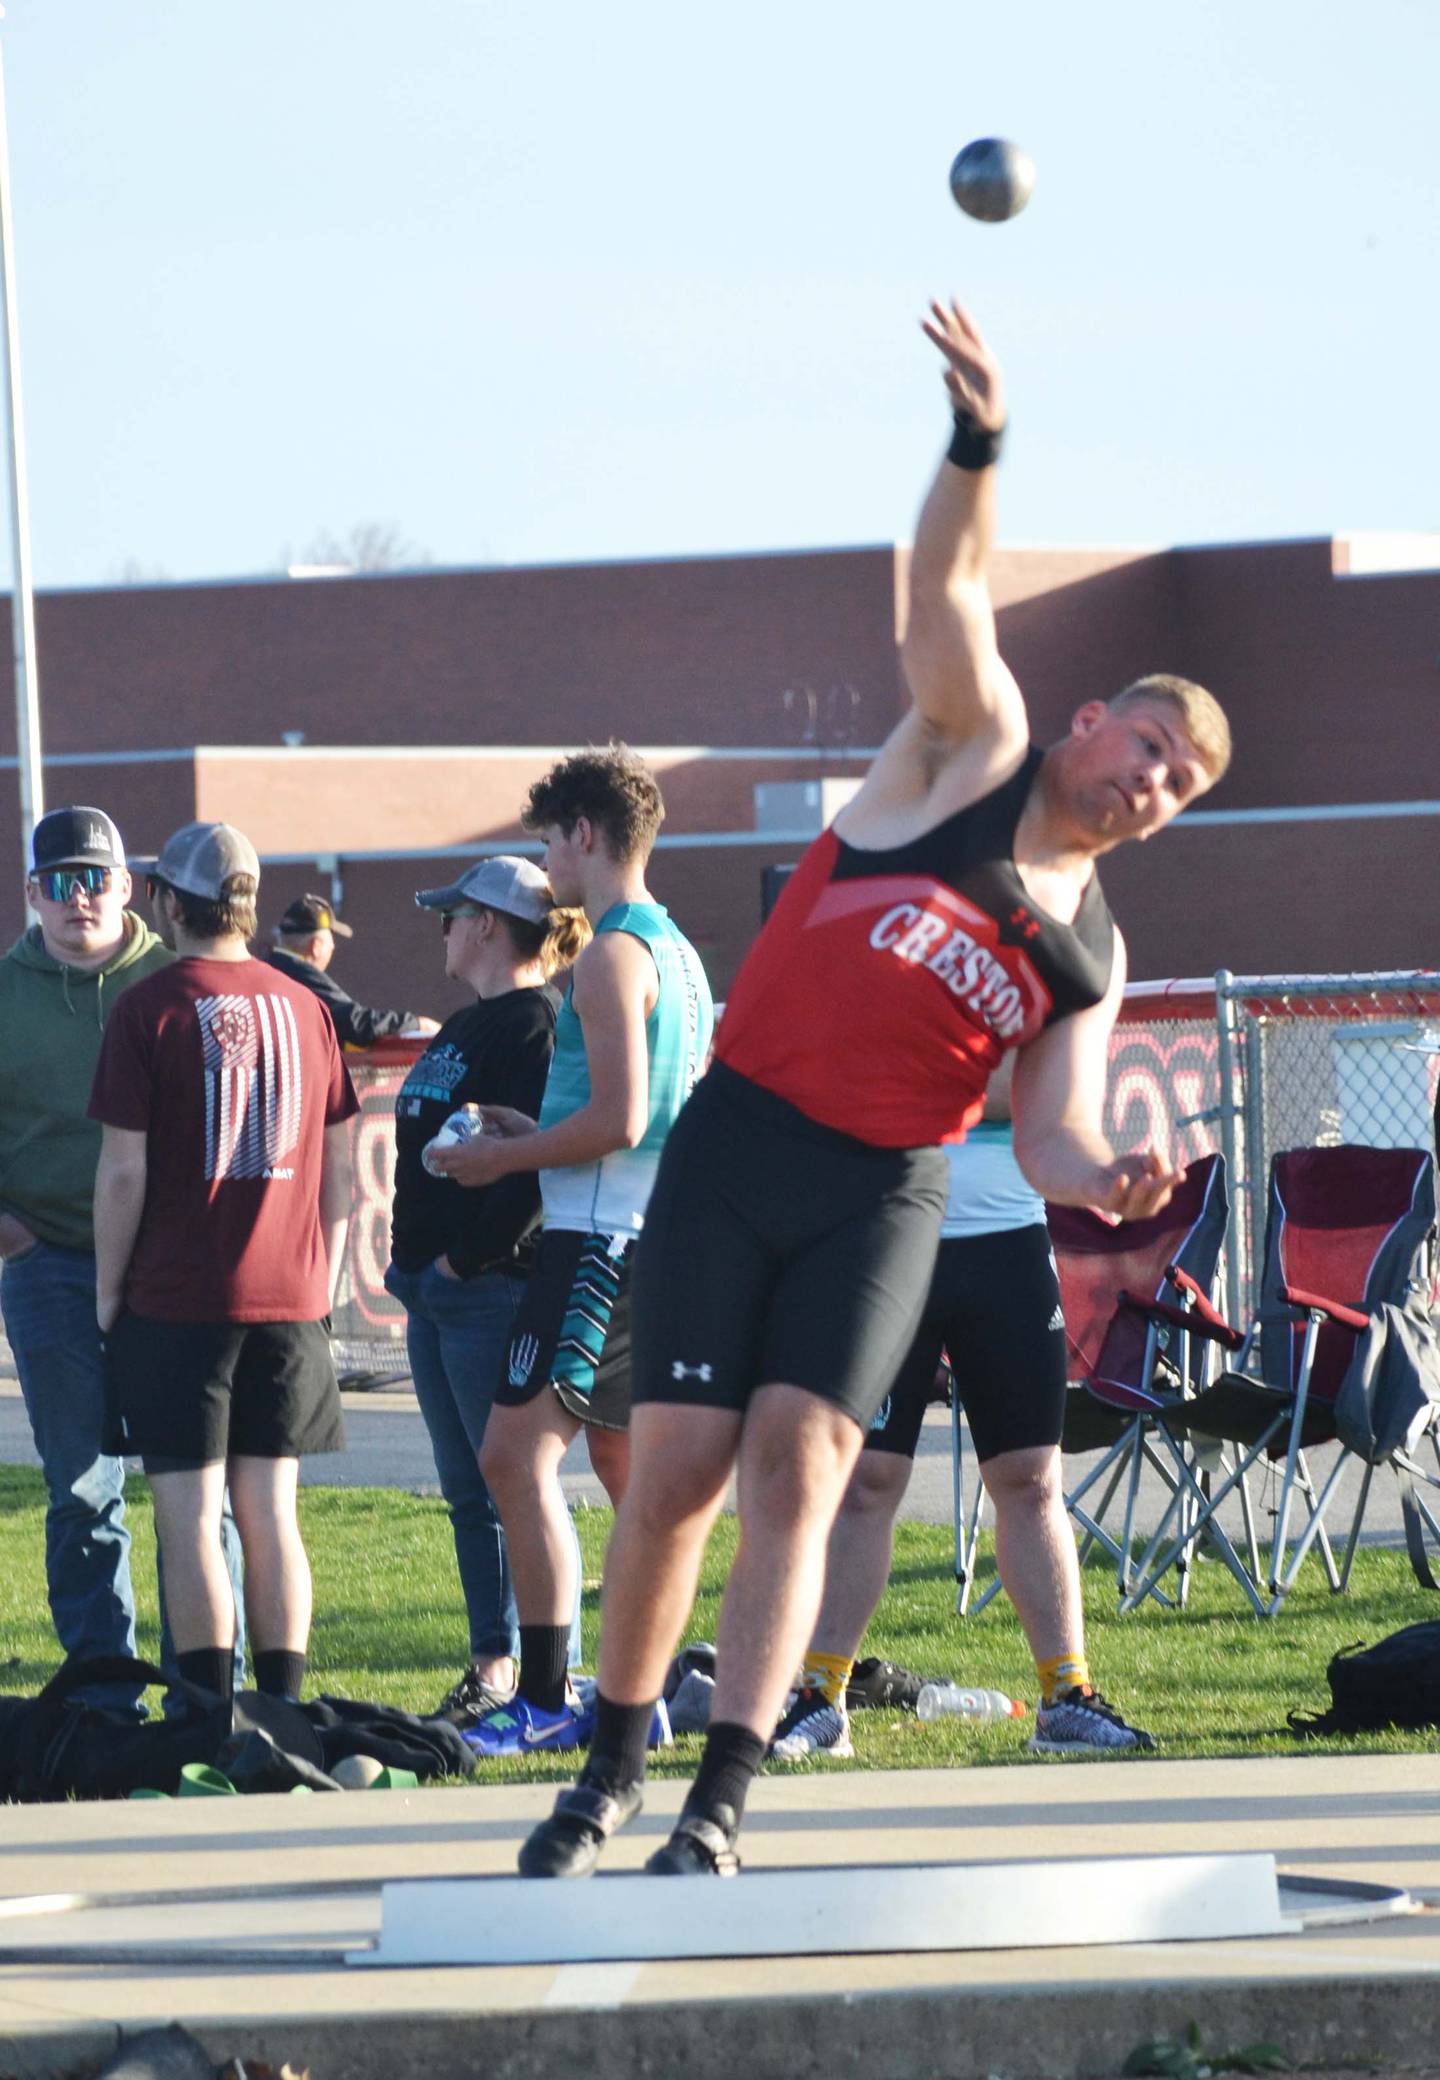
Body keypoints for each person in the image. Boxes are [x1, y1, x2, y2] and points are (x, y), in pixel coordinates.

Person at [519, 298, 1232, 1880]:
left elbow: (1048, 1125)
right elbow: (946, 587)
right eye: (1153, 748)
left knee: (806, 1465)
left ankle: (720, 1798)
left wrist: (1107, 1176)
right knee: (684, 1469)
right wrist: (979, 446)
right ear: (1097, 718)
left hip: (886, 1190)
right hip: (744, 1141)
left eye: (1184, 790)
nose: (1154, 786)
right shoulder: (968, 755)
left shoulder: (1093, 948)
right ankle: (609, 1768)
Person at [427, 746, 714, 1756]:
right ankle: (654, 1685)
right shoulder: (678, 948)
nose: (546, 862)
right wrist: (525, 1125)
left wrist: (500, 1164)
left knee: (513, 1456)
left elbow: (623, 1119)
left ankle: (548, 1693)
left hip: (599, 1241)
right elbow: (639, 1109)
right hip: (654, 1232)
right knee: (625, 1467)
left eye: (548, 839)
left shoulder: (607, 952)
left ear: (584, 833)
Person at [771, 1061, 1152, 1764]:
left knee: (1033, 1479)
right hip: (888, 1238)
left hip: (1006, 1244)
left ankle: (1065, 1699)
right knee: (868, 1481)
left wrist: (919, 1088)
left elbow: (1040, 1090)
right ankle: (822, 1699)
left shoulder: (1019, 964)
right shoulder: (884, 953)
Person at [90, 821, 358, 1704]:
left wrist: (106, 1293)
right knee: (273, 1516)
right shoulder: (309, 1008)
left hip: (177, 1305)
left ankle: (208, 1714)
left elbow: (123, 1171)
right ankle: (284, 1709)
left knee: (189, 1519)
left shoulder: (148, 1007)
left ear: (169, 901)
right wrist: (317, 1277)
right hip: (289, 1303)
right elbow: (342, 1169)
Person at [0, 805, 244, 1714]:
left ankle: (209, 1689)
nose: (78, 899)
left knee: (199, 1490)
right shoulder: (7, 992)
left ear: (131, 887)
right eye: (58, 882)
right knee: (80, 1486)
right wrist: (14, 1235)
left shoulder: (178, 978)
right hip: (52, 1265)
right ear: (31, 894)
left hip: (169, 1268)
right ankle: (104, 1694)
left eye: (94, 878)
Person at [384, 856, 590, 1722]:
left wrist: (463, 1262)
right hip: (436, 1292)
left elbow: (530, 1165)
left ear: (486, 926)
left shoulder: (534, 1023)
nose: (442, 928)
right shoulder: (470, 1025)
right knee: (471, 1490)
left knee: (510, 1482)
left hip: (490, 1286)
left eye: (452, 914)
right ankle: (492, 1664)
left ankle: (543, 1675)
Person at [266, 892, 439, 1049]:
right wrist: (417, 1024)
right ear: (316, 946)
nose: (333, 946)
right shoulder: (299, 974)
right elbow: (357, 1023)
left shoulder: (270, 966)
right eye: (331, 941)